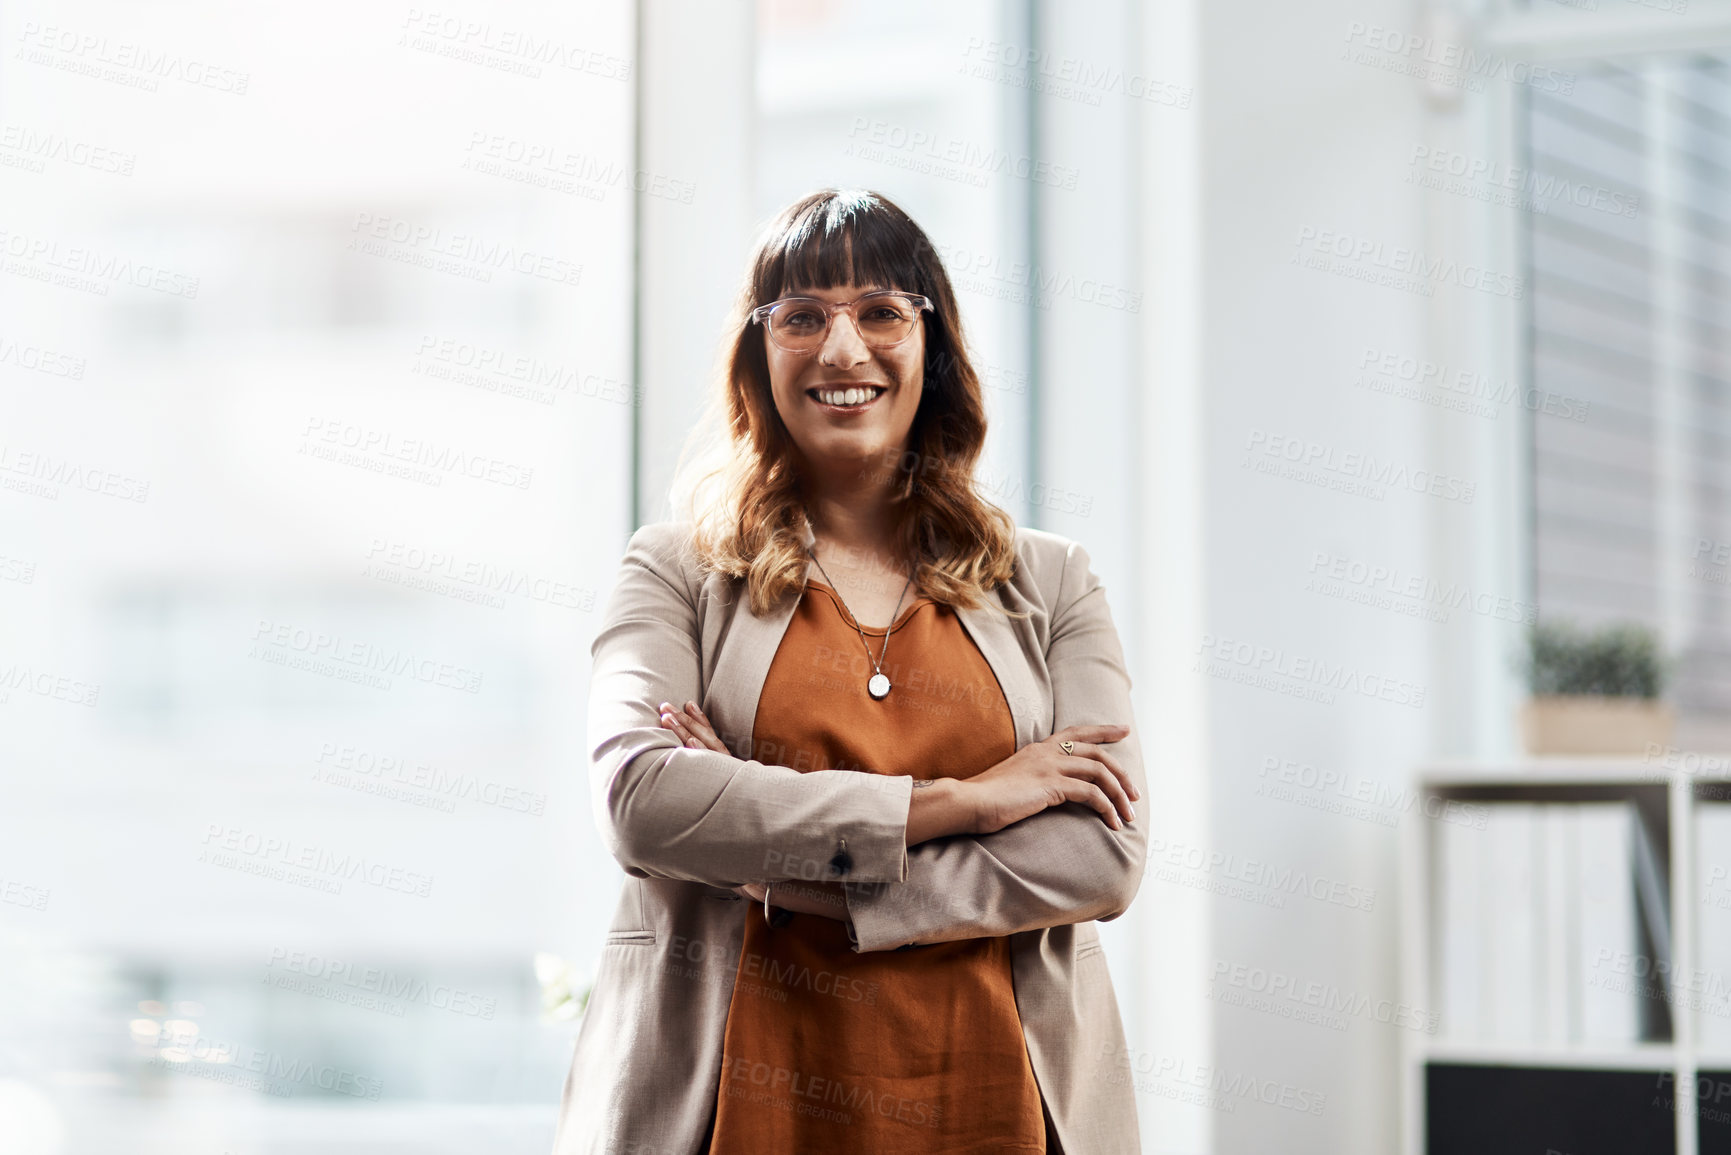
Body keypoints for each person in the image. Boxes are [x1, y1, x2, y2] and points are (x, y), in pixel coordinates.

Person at [551, 188, 1148, 1155]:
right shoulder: (672, 570)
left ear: (934, 348)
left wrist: (774, 871)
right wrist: (961, 801)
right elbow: (644, 800)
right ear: (759, 355)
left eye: (879, 311)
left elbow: (1099, 854)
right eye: (801, 317)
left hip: (997, 1103)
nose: (841, 350)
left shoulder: (1051, 581)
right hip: (731, 1109)